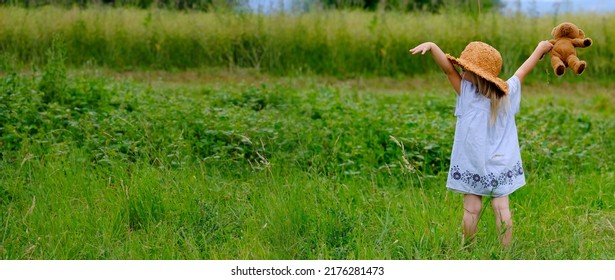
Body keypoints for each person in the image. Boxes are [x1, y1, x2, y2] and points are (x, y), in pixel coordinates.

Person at [409, 40, 553, 247]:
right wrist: (540, 49)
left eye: (465, 68)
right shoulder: (507, 92)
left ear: (477, 74)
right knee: (502, 208)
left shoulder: (466, 93)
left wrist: (433, 46)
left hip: (472, 162)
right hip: (501, 163)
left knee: (471, 209)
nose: (461, 69)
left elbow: (447, 70)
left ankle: (468, 248)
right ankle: (506, 252)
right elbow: (523, 70)